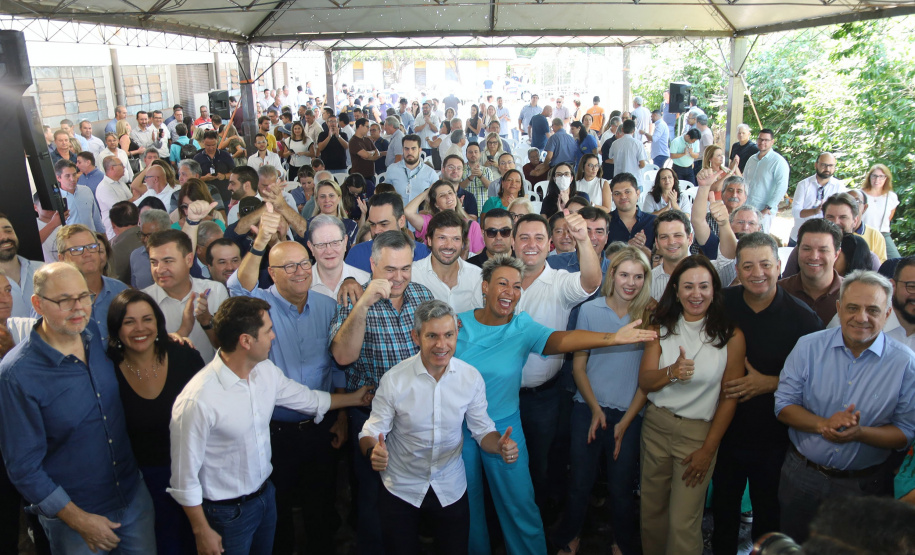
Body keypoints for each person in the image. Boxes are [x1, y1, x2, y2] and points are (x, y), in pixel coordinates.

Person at [457, 254, 657, 555]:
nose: (510, 292)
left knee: (521, 503)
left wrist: (612, 338)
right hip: (460, 430)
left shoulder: (523, 327)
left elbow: (565, 339)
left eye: (516, 286)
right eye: (502, 284)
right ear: (484, 287)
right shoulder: (458, 324)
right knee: (467, 507)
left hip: (505, 428)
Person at [168, 296, 373, 555]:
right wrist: (201, 531)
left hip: (265, 497)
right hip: (225, 513)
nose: (273, 337)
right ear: (246, 341)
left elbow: (308, 400)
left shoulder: (264, 370)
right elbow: (183, 479)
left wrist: (355, 398)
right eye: (268, 331)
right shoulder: (197, 400)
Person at [0, 263, 156, 554]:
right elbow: (23, 467)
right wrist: (80, 520)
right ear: (38, 304)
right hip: (76, 521)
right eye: (63, 300)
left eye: (83, 296)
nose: (78, 308)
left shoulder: (92, 333)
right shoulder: (16, 375)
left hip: (133, 498)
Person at [226, 208, 351, 554]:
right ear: (272, 273)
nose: (300, 273)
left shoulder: (328, 306)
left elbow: (337, 364)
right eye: (289, 267)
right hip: (273, 432)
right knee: (276, 515)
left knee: (321, 509)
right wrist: (261, 241)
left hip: (319, 427)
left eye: (304, 265)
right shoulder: (257, 306)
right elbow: (237, 284)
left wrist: (341, 416)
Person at [358, 299, 518, 555]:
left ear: (457, 334)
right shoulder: (394, 380)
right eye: (432, 335)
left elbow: (482, 429)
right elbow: (370, 431)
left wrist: (498, 445)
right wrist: (372, 452)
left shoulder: (470, 377)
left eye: (449, 335)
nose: (441, 345)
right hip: (401, 486)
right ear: (416, 337)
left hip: (450, 485)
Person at [775, 270, 915, 542]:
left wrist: (861, 434)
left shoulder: (906, 364)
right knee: (794, 545)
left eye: (872, 310)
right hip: (801, 476)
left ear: (887, 315)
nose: (861, 317)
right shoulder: (808, 347)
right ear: (839, 308)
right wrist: (822, 424)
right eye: (852, 307)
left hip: (864, 486)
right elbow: (783, 406)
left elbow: (906, 431)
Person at [709, 233, 824, 554]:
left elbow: (818, 381)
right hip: (725, 431)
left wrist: (770, 383)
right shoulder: (722, 304)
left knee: (768, 518)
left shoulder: (804, 319)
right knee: (723, 513)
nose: (757, 273)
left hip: (775, 438)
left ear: (778, 266)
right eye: (748, 266)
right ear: (737, 269)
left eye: (765, 264)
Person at [329, 230, 436, 555]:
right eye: (391, 269)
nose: (399, 277)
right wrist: (363, 302)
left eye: (406, 268)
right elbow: (343, 357)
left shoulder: (422, 295)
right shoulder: (353, 299)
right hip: (376, 423)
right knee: (374, 505)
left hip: (418, 420)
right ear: (373, 265)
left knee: (415, 501)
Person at [638, 255, 745, 555]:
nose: (696, 294)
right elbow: (645, 381)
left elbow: (729, 397)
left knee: (683, 523)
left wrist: (708, 449)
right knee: (651, 514)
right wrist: (672, 372)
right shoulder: (659, 326)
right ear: (675, 290)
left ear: (714, 290)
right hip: (657, 426)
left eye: (703, 286)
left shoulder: (731, 336)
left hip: (698, 435)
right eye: (688, 287)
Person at [553, 247, 653, 555]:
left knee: (622, 488)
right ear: (612, 275)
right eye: (624, 274)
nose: (631, 283)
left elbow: (648, 380)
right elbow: (579, 367)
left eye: (638, 276)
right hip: (588, 408)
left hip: (630, 413)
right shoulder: (591, 310)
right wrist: (595, 408)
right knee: (580, 482)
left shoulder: (650, 314)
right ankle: (571, 535)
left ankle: (621, 541)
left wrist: (626, 420)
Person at [105, 289, 205, 554]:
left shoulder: (185, 356)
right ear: (116, 328)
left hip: (193, 476)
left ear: (158, 323)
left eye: (147, 319)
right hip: (138, 486)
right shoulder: (106, 368)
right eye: (129, 322)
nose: (140, 328)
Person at [143, 227, 229, 361]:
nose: (159, 270)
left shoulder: (215, 291)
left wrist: (207, 322)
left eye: (168, 261)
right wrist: (182, 331)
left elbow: (228, 349)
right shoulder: (143, 302)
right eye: (154, 262)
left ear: (189, 260)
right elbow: (146, 358)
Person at [56, 223, 129, 343]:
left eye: (91, 247)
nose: (87, 254)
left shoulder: (121, 291)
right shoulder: (52, 300)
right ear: (62, 258)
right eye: (77, 250)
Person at [411, 211, 483, 313]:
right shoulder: (413, 275)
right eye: (442, 238)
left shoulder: (477, 277)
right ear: (429, 240)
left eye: (456, 239)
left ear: (463, 243)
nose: (449, 245)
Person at [344, 193, 432, 273]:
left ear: (401, 221)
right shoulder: (357, 254)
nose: (376, 230)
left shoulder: (422, 254)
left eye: (384, 224)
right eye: (373, 224)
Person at [779, 217, 844, 324]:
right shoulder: (778, 292)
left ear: (836, 254)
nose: (814, 256)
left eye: (823, 250)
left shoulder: (852, 294)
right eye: (807, 249)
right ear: (798, 250)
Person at [405, 180, 484, 254]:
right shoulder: (429, 222)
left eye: (450, 193)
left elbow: (478, 259)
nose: (448, 196)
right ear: (436, 204)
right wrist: (427, 192)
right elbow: (408, 212)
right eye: (442, 195)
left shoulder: (472, 226)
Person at [308, 215, 370, 301]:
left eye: (335, 243)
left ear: (345, 242)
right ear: (311, 247)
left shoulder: (365, 281)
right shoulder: (301, 286)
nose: (329, 251)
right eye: (321, 245)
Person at [744, 128, 789, 233]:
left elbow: (781, 187)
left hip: (764, 211)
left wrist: (768, 208)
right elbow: (744, 181)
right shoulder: (751, 159)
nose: (762, 142)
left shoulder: (778, 162)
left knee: (760, 242)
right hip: (747, 207)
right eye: (760, 139)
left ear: (772, 142)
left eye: (766, 140)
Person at [606, 173, 657, 259]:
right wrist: (626, 247)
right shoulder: (605, 222)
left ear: (637, 193)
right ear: (612, 197)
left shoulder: (653, 222)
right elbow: (600, 258)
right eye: (617, 193)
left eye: (627, 192)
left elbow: (660, 260)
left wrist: (641, 248)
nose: (623, 196)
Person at [860, 163, 900, 258]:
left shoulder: (891, 196)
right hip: (863, 233)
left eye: (881, 176)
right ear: (869, 177)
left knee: (896, 261)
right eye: (874, 176)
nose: (877, 180)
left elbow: (889, 217)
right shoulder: (859, 194)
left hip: (883, 234)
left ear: (886, 178)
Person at [55, 159, 105, 235]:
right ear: (58, 178)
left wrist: (103, 237)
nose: (72, 179)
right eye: (67, 176)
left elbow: (96, 218)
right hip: (71, 242)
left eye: (74, 174)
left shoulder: (86, 190)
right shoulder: (56, 199)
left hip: (92, 238)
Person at [386, 134, 438, 204]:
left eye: (413, 148)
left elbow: (437, 197)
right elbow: (385, 194)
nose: (409, 152)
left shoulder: (430, 173)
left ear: (420, 150)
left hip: (420, 214)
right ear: (402, 150)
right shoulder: (392, 169)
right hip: (398, 213)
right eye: (406, 149)